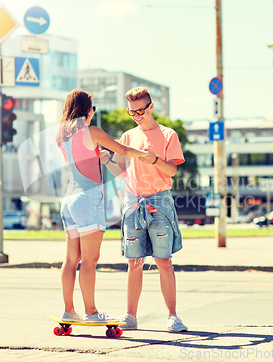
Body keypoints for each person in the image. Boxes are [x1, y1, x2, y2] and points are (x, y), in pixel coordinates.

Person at [56, 89, 148, 323]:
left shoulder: (62, 136)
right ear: (87, 109)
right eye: (93, 108)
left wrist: (99, 157)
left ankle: (69, 311)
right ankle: (91, 312)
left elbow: (81, 160)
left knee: (71, 259)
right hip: (88, 200)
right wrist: (144, 154)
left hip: (69, 199)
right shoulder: (91, 131)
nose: (93, 112)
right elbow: (124, 150)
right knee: (89, 261)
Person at [102, 87, 188, 332]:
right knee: (134, 262)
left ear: (150, 107)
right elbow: (122, 173)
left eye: (140, 110)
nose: (136, 116)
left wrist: (154, 160)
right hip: (133, 203)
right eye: (131, 112)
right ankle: (130, 316)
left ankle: (173, 316)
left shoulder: (168, 134)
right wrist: (108, 162)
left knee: (164, 261)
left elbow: (171, 170)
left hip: (159, 202)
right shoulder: (128, 136)